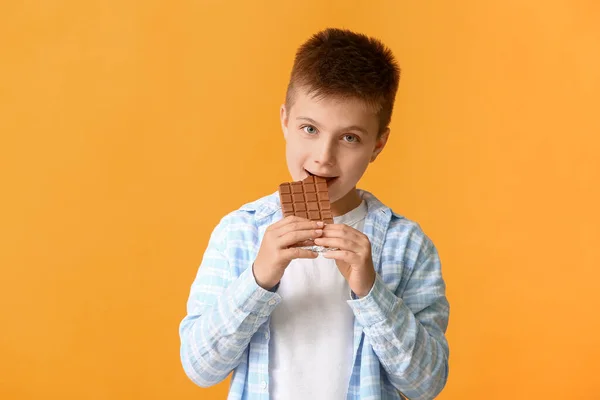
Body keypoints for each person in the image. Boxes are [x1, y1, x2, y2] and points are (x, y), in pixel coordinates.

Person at [179, 27, 450, 400]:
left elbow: (426, 384)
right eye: (310, 128)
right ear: (285, 121)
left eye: (350, 137)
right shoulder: (239, 233)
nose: (324, 155)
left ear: (378, 144)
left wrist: (371, 291)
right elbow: (199, 367)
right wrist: (258, 279)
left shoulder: (408, 245)